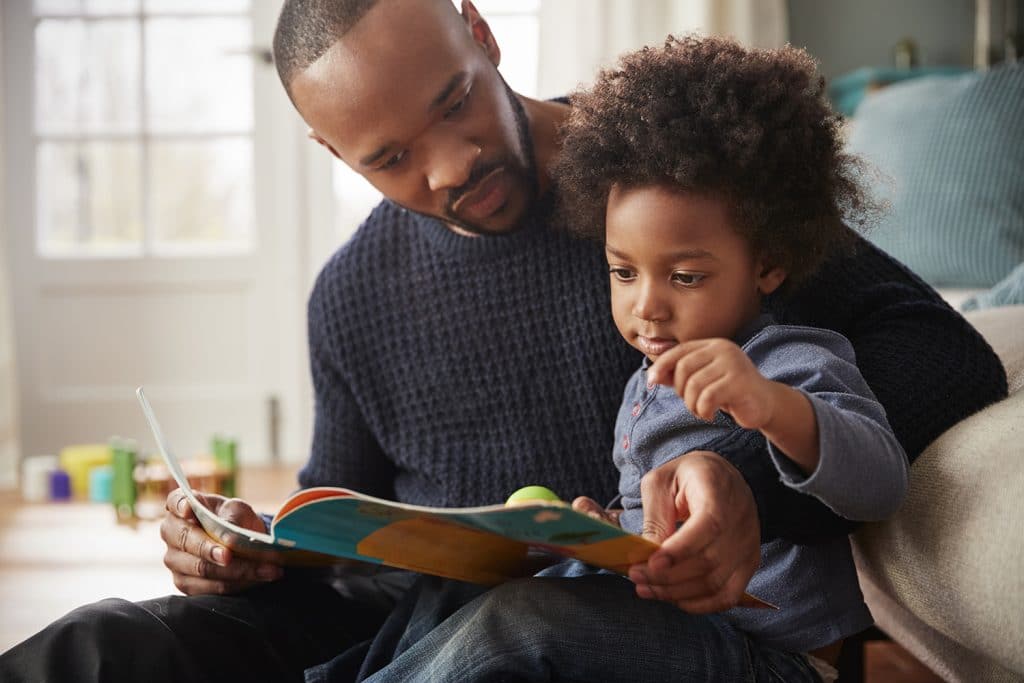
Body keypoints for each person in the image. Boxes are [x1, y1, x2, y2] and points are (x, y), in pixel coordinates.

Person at [0, 1, 1006, 682]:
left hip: (611, 626)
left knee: (508, 631)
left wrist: (740, 470)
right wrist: (245, 547)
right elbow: (342, 514)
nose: (449, 166)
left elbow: (943, 354)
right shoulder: (350, 295)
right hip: (409, 621)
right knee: (100, 642)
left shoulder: (668, 194)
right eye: (389, 157)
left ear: (478, 30)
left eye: (453, 104)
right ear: (330, 150)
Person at [358, 34, 912, 682]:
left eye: (684, 277)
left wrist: (775, 407)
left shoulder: (790, 360)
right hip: (670, 632)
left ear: (766, 263)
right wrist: (599, 537)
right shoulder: (644, 392)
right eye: (623, 272)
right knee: (449, 591)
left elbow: (882, 481)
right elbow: (661, 538)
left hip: (772, 658)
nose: (646, 306)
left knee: (521, 623)